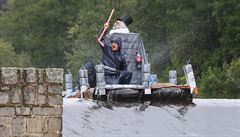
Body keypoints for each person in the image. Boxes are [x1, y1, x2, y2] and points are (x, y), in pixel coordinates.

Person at [97, 19, 132, 84]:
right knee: (114, 83)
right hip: (107, 75)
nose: (113, 44)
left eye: (115, 43)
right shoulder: (107, 48)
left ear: (119, 45)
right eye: (112, 43)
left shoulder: (121, 57)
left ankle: (123, 87)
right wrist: (104, 29)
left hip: (116, 76)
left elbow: (124, 70)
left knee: (128, 73)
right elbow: (99, 39)